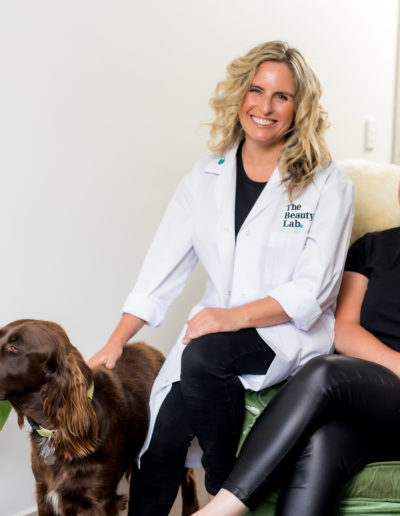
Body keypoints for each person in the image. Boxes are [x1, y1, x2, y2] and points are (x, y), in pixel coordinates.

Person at [88, 40, 354, 516]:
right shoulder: (203, 179)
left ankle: (223, 493)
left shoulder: (327, 184)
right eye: (256, 91)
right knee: (161, 440)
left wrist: (232, 318)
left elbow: (314, 289)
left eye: (282, 96)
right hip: (215, 325)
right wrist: (115, 342)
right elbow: (160, 270)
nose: (265, 107)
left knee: (206, 356)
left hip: (286, 331)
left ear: (300, 108)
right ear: (240, 97)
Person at [192, 211, 400, 516]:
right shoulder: (372, 247)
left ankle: (221, 509)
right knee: (322, 442)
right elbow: (344, 329)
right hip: (373, 396)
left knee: (324, 372)